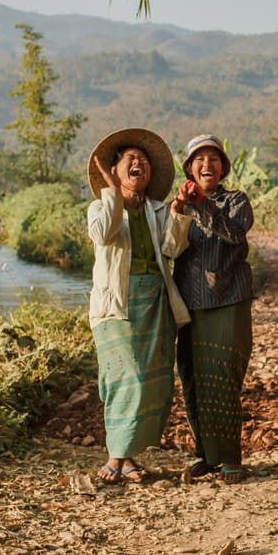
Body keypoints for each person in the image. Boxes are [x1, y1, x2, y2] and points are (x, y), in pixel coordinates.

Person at [86, 128, 195, 484]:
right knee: (125, 377)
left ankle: (128, 457)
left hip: (156, 302)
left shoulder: (158, 209)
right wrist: (112, 194)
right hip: (117, 305)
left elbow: (172, 250)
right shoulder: (99, 207)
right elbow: (103, 234)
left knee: (153, 381)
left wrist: (178, 213)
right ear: (115, 171)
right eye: (130, 160)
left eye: (143, 161)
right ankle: (116, 455)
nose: (139, 164)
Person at [172, 134, 255, 483]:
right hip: (189, 302)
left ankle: (230, 457)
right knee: (192, 378)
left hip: (227, 300)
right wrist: (179, 211)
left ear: (223, 167)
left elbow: (233, 234)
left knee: (223, 377)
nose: (207, 165)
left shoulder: (236, 200)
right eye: (199, 159)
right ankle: (205, 454)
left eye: (214, 159)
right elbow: (170, 247)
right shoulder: (177, 204)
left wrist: (201, 204)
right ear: (189, 168)